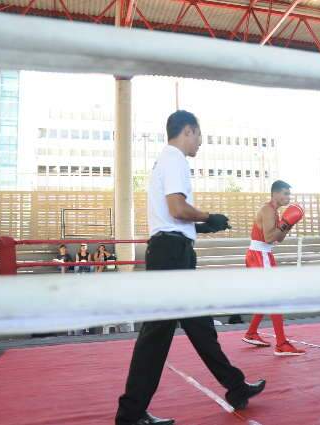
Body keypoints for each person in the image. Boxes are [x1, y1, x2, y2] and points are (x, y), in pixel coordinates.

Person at [115, 111, 265, 425]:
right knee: (156, 336)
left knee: (200, 327)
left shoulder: (166, 160)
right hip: (171, 256)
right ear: (188, 130)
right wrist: (208, 216)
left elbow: (173, 217)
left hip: (173, 251)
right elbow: (177, 208)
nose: (200, 142)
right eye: (199, 136)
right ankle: (130, 414)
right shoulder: (174, 159)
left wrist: (203, 227)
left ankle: (236, 387)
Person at [241, 180, 306, 356]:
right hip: (259, 254)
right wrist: (285, 222)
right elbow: (269, 238)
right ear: (275, 193)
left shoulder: (274, 212)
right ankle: (282, 344)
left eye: (289, 194)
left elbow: (279, 238)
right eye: (285, 193)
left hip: (262, 254)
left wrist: (289, 223)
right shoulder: (268, 210)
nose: (288, 197)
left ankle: (252, 333)